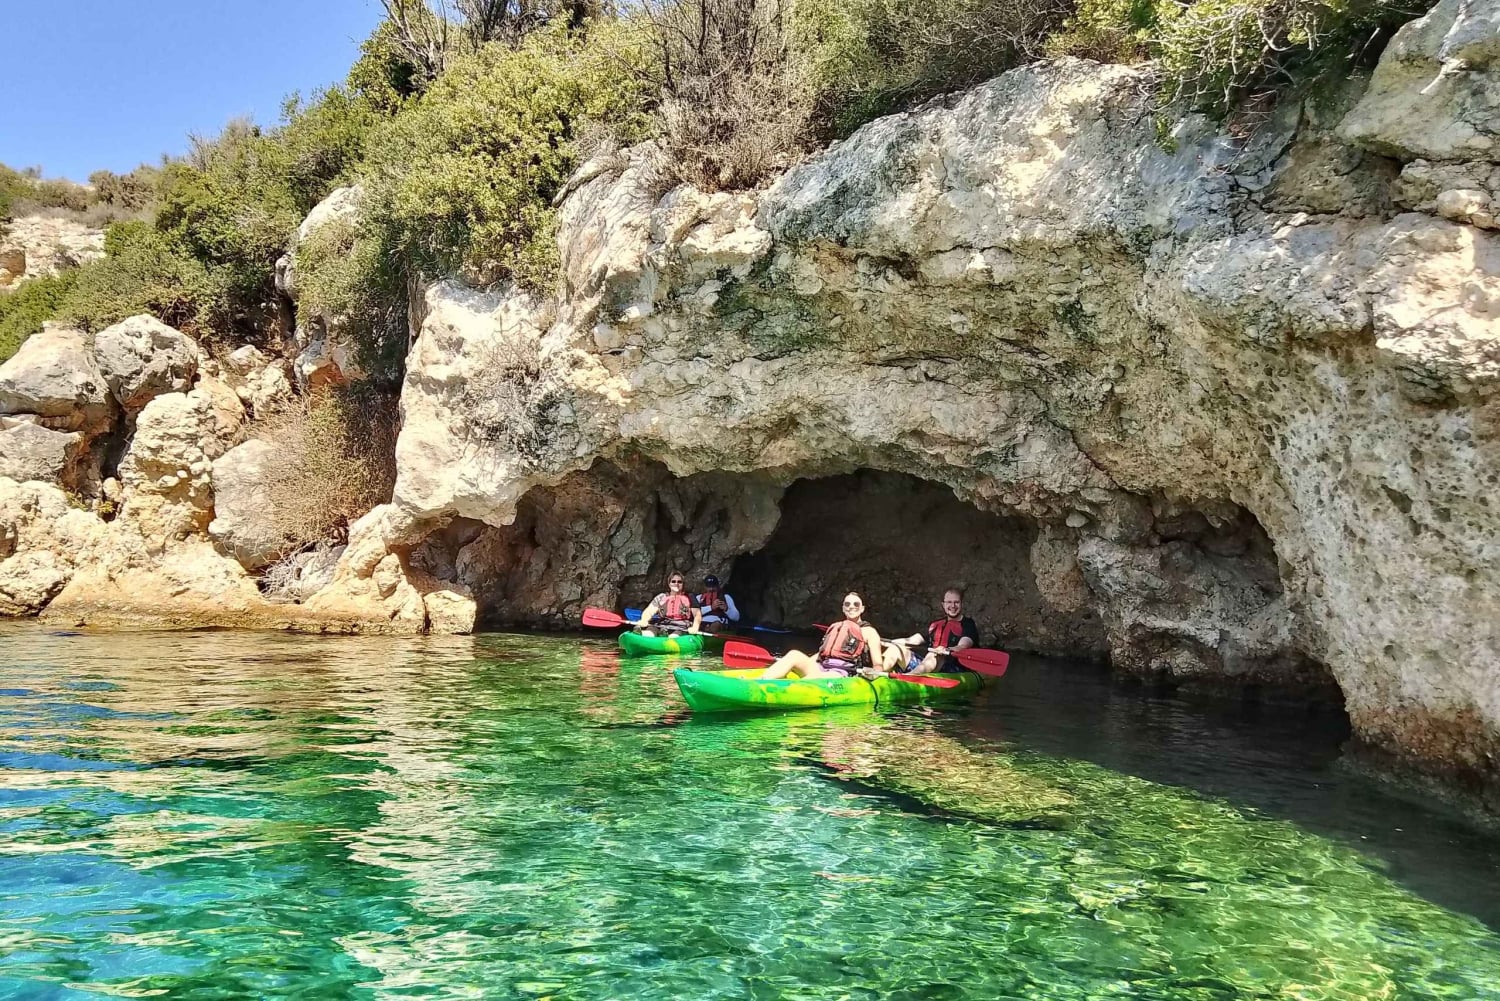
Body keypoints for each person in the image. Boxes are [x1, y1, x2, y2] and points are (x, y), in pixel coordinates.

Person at [759, 592, 883, 680]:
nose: (851, 607)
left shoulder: (869, 632)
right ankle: (761, 682)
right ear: (843, 608)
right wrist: (792, 663)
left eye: (856, 604)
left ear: (862, 609)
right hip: (822, 667)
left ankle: (788, 690)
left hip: (842, 673)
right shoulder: (837, 627)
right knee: (793, 655)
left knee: (814, 677)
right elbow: (821, 654)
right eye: (847, 604)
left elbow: (878, 665)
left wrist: (873, 673)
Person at [882, 588, 979, 675]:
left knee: (935, 653)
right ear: (943, 605)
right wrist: (889, 642)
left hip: (953, 669)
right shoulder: (936, 624)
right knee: (895, 648)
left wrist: (946, 649)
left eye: (956, 602)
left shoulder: (968, 624)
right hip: (927, 665)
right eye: (949, 602)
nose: (952, 606)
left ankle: (909, 677)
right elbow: (912, 640)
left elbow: (963, 646)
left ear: (962, 604)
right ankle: (879, 674)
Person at [635, 571, 702, 637]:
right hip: (662, 624)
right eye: (673, 581)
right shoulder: (661, 597)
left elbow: (697, 614)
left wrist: (695, 627)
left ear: (683, 584)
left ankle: (666, 638)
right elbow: (649, 611)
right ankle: (641, 636)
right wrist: (644, 620)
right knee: (649, 632)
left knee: (673, 636)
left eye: (679, 582)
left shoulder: (690, 597)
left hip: (681, 627)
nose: (676, 584)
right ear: (669, 584)